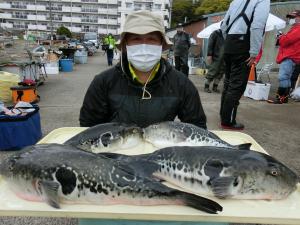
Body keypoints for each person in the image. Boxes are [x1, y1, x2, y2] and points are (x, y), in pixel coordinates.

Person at [79, 10, 207, 129]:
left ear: (161, 45)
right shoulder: (103, 82)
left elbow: (197, 127)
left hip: (162, 151)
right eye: (136, 39)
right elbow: (89, 127)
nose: (144, 45)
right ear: (125, 44)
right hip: (115, 150)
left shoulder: (181, 84)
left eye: (151, 39)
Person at [220, 0, 269, 130]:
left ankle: (224, 115)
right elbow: (257, 26)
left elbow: (224, 25)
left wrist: (229, 42)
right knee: (236, 85)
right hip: (243, 45)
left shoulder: (235, 1)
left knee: (228, 83)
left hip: (229, 43)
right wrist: (254, 51)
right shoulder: (262, 1)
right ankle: (228, 121)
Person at [268, 10, 300, 104]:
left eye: (293, 17)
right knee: (287, 77)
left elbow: (286, 41)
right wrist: (283, 37)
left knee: (283, 77)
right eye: (290, 17)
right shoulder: (295, 28)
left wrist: (281, 37)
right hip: (291, 56)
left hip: (290, 56)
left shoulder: (298, 28)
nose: (290, 19)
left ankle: (281, 98)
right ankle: (283, 97)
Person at [204, 29, 225, 93]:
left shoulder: (228, 33)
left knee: (220, 72)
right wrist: (209, 54)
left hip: (224, 57)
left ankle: (215, 87)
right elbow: (210, 44)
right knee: (212, 71)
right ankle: (206, 86)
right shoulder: (216, 33)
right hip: (216, 56)